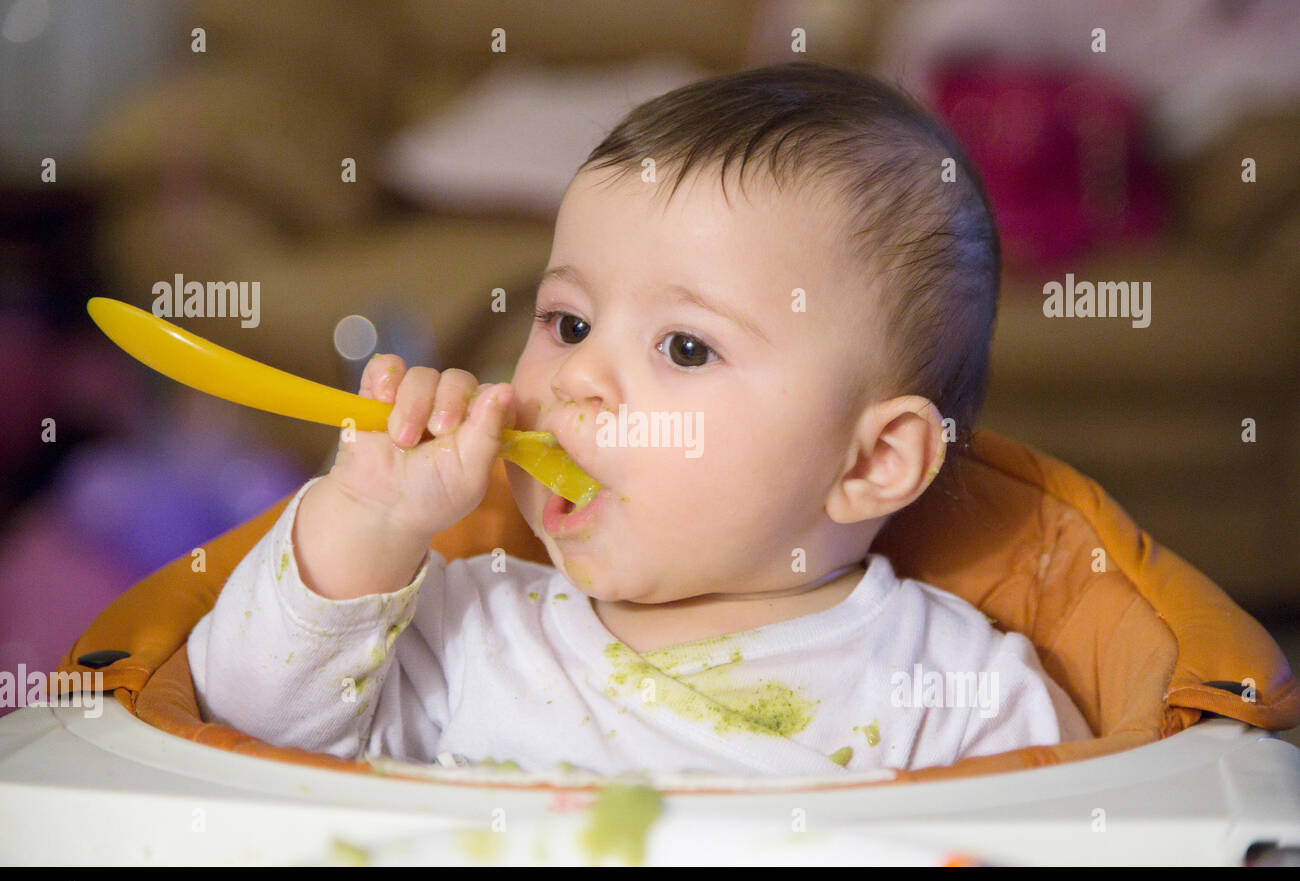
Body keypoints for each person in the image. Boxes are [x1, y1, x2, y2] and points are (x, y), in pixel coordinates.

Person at [188, 62, 1092, 776]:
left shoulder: (950, 695)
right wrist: (366, 519)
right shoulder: (468, 631)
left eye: (686, 348)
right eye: (568, 324)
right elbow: (243, 726)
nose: (578, 375)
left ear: (871, 462)